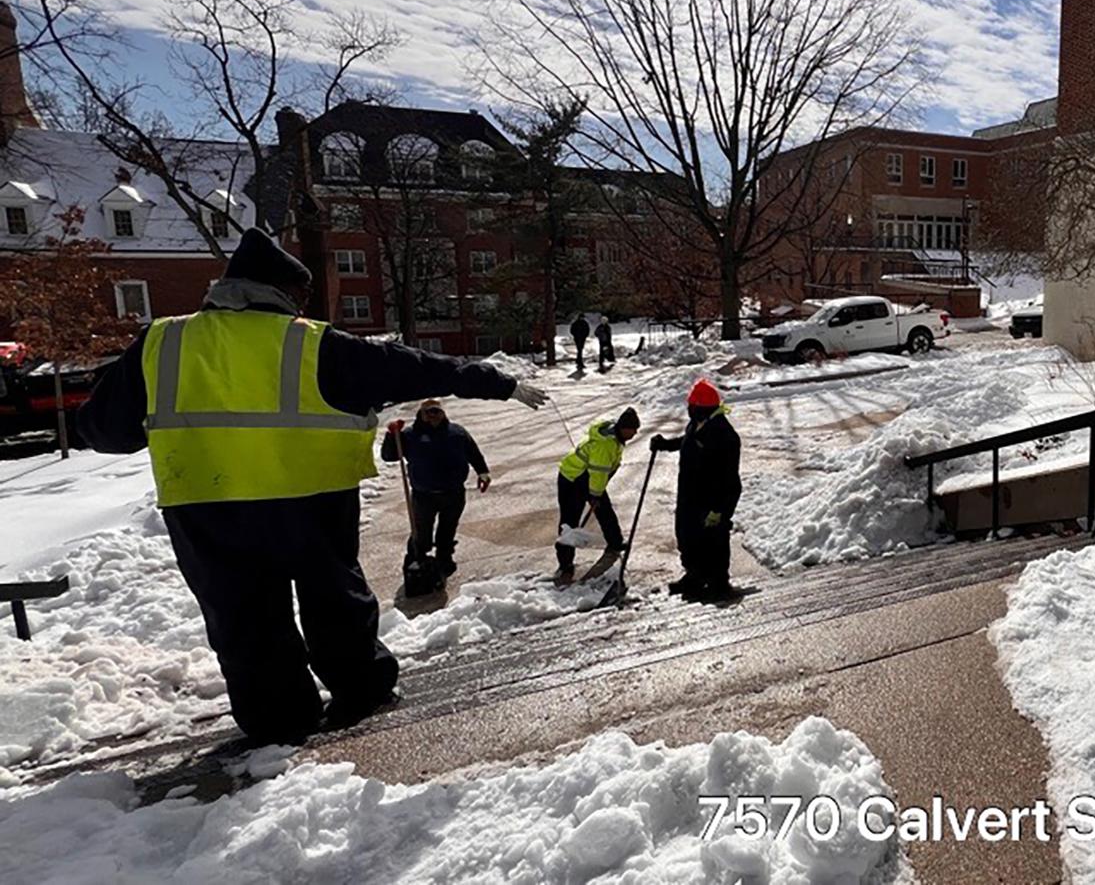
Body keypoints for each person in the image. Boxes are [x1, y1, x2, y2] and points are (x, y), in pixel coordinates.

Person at [76, 229, 548, 744]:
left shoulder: (162, 342)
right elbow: (414, 368)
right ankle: (361, 690)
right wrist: (497, 382)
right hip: (310, 502)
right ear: (283, 293)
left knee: (244, 618)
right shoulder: (313, 343)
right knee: (333, 600)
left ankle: (279, 725)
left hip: (205, 508)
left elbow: (104, 430)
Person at [650, 379, 742, 600]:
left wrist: (719, 509)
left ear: (703, 408)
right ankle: (695, 575)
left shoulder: (724, 435)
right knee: (687, 535)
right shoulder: (699, 423)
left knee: (714, 539)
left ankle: (719, 582)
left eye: (692, 406)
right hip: (691, 494)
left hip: (713, 498)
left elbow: (729, 478)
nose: (688, 410)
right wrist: (666, 444)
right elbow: (688, 440)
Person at [381, 399, 489, 581]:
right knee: (421, 533)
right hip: (423, 495)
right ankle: (416, 563)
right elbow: (390, 456)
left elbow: (473, 453)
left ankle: (444, 559)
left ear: (443, 413)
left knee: (448, 530)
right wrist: (392, 436)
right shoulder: (409, 435)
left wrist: (483, 472)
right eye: (428, 412)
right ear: (421, 415)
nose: (433, 415)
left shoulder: (457, 433)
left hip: (453, 493)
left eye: (436, 411)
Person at [554, 405, 641, 584]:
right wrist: (595, 495)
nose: (634, 434)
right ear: (623, 428)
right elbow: (598, 472)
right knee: (570, 520)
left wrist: (596, 495)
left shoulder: (615, 437)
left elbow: (601, 473)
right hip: (573, 478)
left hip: (587, 476)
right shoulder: (606, 444)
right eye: (632, 430)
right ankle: (565, 563)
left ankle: (615, 542)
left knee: (605, 510)